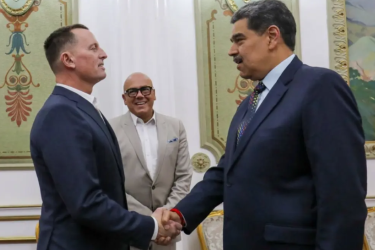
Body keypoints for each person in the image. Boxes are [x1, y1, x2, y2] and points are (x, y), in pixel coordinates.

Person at [161, 1, 367, 249]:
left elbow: (343, 196)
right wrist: (180, 215)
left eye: (239, 39)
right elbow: (227, 171)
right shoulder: (251, 102)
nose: (231, 50)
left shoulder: (320, 86)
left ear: (271, 36)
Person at [30, 24, 181, 250]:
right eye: (93, 48)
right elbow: (86, 203)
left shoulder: (84, 110)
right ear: (68, 60)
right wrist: (150, 226)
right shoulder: (61, 113)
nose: (103, 54)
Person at [109, 72, 193, 250]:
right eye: (132, 92)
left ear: (154, 94)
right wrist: (151, 223)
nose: (140, 95)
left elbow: (183, 177)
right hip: (129, 231)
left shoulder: (175, 126)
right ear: (124, 98)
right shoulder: (109, 129)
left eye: (145, 90)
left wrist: (165, 219)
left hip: (168, 232)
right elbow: (111, 184)